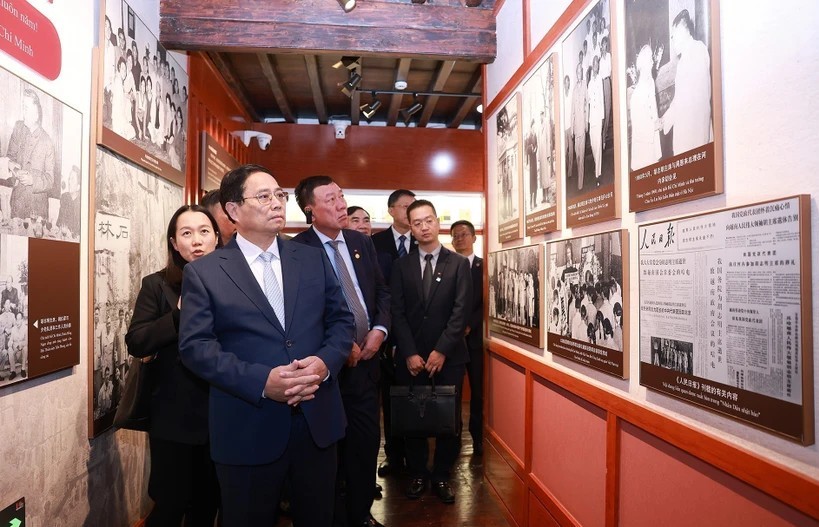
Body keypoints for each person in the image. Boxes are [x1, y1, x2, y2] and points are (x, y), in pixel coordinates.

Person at [178, 164, 354, 527]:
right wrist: (261, 382)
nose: (276, 203)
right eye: (263, 196)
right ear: (232, 210)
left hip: (316, 423)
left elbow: (342, 321)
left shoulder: (310, 257)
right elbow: (196, 347)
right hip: (247, 425)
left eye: (279, 195)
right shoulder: (205, 272)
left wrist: (324, 364)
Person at [293, 176, 389, 527]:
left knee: (364, 447)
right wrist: (338, 344)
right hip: (327, 373)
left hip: (366, 366)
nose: (340, 205)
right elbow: (299, 312)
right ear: (310, 209)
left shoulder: (361, 242)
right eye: (330, 199)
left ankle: (361, 514)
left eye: (342, 197)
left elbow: (381, 293)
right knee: (327, 451)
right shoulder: (296, 249)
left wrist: (379, 331)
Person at [126, 204, 221, 526]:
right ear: (173, 242)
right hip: (174, 414)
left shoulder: (237, 284)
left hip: (225, 410)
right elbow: (137, 341)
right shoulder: (157, 284)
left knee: (208, 504)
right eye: (186, 233)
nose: (196, 240)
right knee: (170, 503)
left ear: (217, 238)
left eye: (204, 231)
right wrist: (179, 312)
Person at [391, 199, 471, 504]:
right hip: (411, 359)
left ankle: (440, 476)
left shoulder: (459, 264)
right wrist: (410, 352)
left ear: (438, 223)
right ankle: (418, 474)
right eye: (417, 223)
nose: (424, 227)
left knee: (448, 420)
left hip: (448, 357)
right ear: (410, 227)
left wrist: (441, 351)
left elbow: (460, 312)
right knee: (414, 419)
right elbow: (396, 312)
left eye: (429, 221)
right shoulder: (401, 265)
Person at [370, 189, 416, 477]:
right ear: (391, 210)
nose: (411, 212)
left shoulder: (423, 243)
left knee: (415, 398)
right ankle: (393, 455)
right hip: (385, 335)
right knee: (389, 398)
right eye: (406, 207)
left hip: (416, 334)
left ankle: (416, 457)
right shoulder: (375, 243)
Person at [450, 219, 484, 456]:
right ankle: (453, 437)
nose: (459, 239)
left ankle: (478, 438)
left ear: (474, 238)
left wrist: (469, 325)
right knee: (452, 391)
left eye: (463, 234)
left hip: (475, 341)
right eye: (455, 236)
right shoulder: (447, 265)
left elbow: (487, 301)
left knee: (478, 392)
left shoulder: (485, 266)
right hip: (451, 340)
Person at [661, 9, 712, 156]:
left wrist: (700, 148)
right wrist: (665, 120)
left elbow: (701, 105)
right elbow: (679, 99)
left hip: (695, 141)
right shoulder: (685, 58)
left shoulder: (697, 50)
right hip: (686, 140)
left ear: (683, 30)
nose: (672, 38)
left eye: (673, 34)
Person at [3, 89, 56, 221]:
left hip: (37, 211)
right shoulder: (18, 129)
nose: (23, 112)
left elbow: (50, 180)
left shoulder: (47, 142)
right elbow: (10, 158)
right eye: (23, 108)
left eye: (26, 108)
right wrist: (12, 167)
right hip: (17, 204)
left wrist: (33, 180)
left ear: (36, 113)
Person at [630, 44, 663, 170]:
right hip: (643, 150)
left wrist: (658, 121)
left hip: (653, 143)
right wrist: (654, 126)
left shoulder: (651, 83)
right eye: (650, 59)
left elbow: (653, 112)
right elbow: (638, 129)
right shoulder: (637, 95)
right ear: (643, 64)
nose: (653, 62)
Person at [571, 62, 588, 190]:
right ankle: (579, 179)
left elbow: (586, 106)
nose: (579, 74)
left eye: (580, 72)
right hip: (576, 129)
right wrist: (571, 129)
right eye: (577, 72)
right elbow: (572, 112)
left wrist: (587, 122)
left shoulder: (584, 87)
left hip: (582, 126)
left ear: (582, 73)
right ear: (576, 74)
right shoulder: (574, 90)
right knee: (577, 156)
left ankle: (580, 184)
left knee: (581, 155)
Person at [57, 165, 81, 237]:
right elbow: (60, 221)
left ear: (79, 185)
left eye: (72, 179)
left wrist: (72, 234)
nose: (69, 182)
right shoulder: (64, 197)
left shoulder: (82, 202)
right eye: (69, 179)